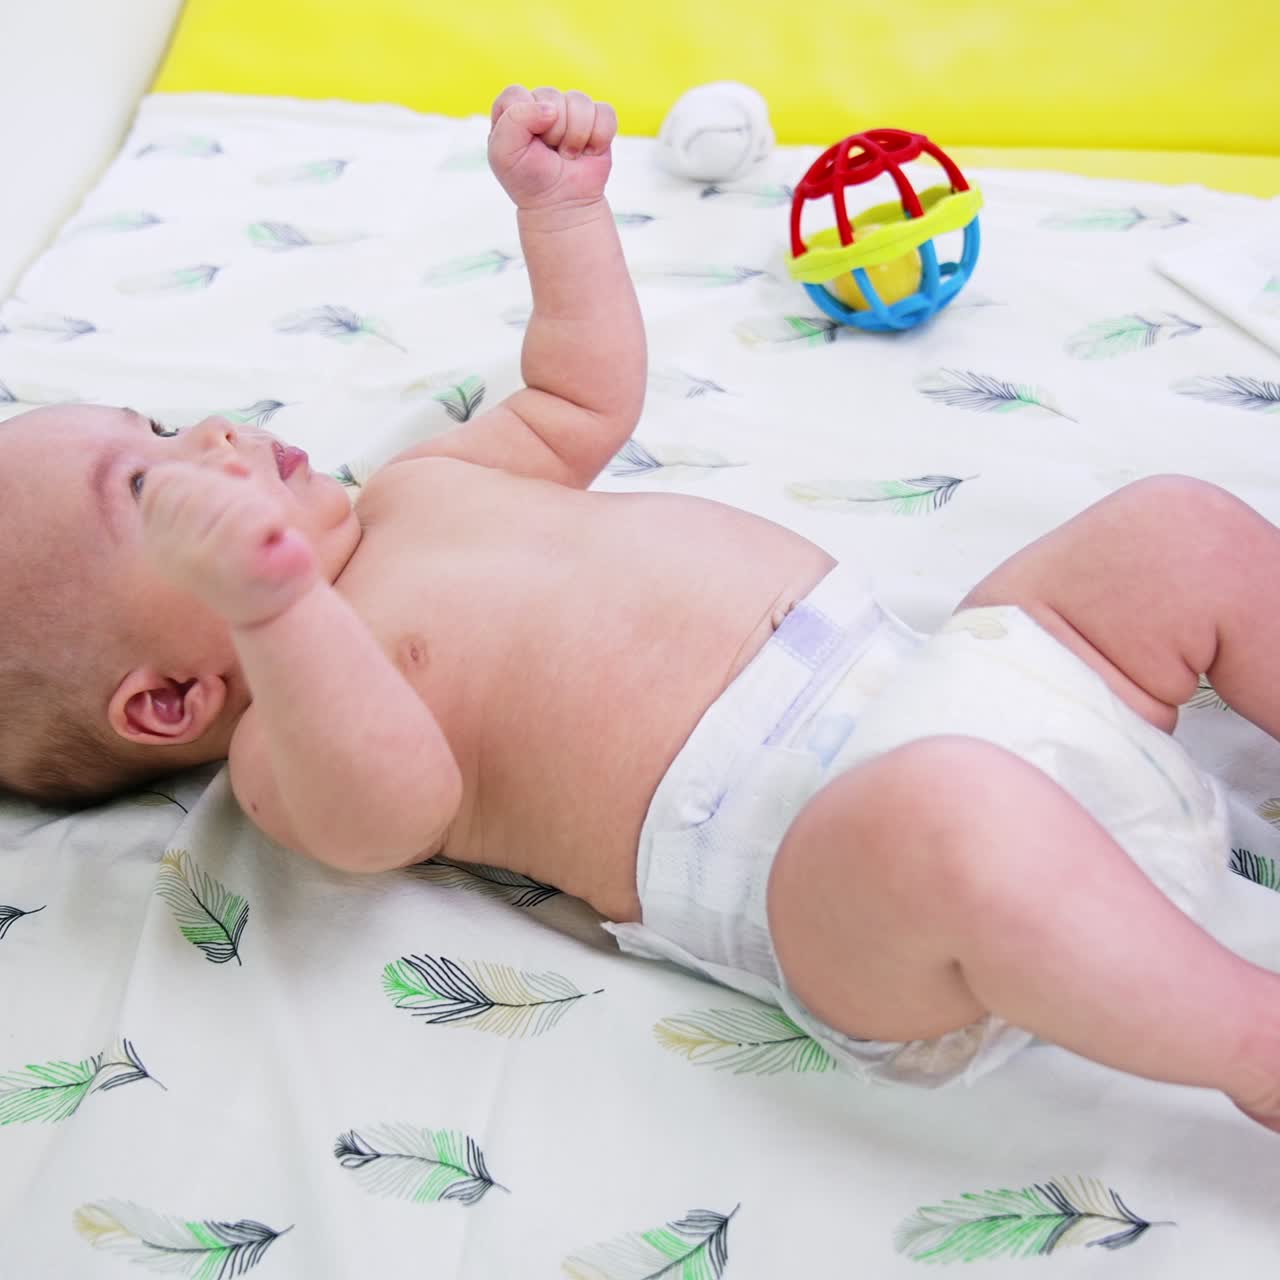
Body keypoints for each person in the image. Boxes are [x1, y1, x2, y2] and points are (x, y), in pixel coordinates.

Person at [3, 86, 1279, 1126]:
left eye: (163, 421)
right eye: (152, 482)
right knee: (945, 814)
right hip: (840, 874)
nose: (212, 432)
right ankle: (1249, 1041)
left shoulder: (421, 479)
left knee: (1176, 527)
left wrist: (559, 217)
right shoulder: (291, 744)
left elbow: (576, 400)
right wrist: (280, 615)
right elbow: (390, 801)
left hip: (960, 682)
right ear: (170, 698)